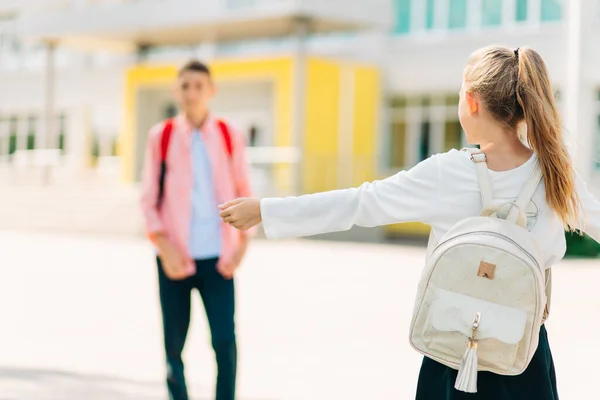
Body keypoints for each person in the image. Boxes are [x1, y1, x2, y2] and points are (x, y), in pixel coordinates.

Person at [218, 46, 600, 399]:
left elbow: (359, 203)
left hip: (452, 352)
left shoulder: (447, 172)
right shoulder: (555, 172)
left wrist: (267, 211)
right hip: (524, 354)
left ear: (472, 101)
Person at [140, 60, 253, 400]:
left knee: (224, 342)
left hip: (219, 257)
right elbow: (148, 199)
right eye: (185, 86)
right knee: (173, 347)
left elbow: (244, 190)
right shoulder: (162, 137)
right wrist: (164, 246)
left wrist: (242, 246)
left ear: (211, 90)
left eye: (198, 86)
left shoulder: (229, 135)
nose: (191, 93)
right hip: (174, 256)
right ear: (176, 91)